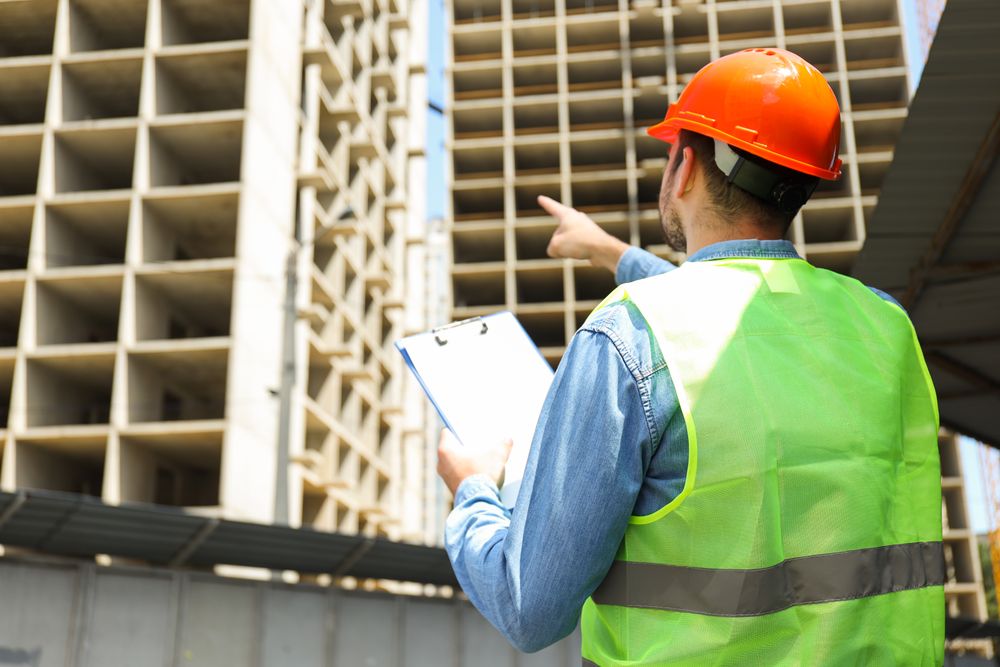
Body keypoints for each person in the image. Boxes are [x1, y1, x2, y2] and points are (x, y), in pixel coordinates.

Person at [436, 48, 943, 665]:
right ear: (805, 181)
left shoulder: (630, 335)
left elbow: (530, 608)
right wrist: (608, 250)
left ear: (685, 168)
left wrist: (473, 494)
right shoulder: (885, 326)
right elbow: (742, 305)